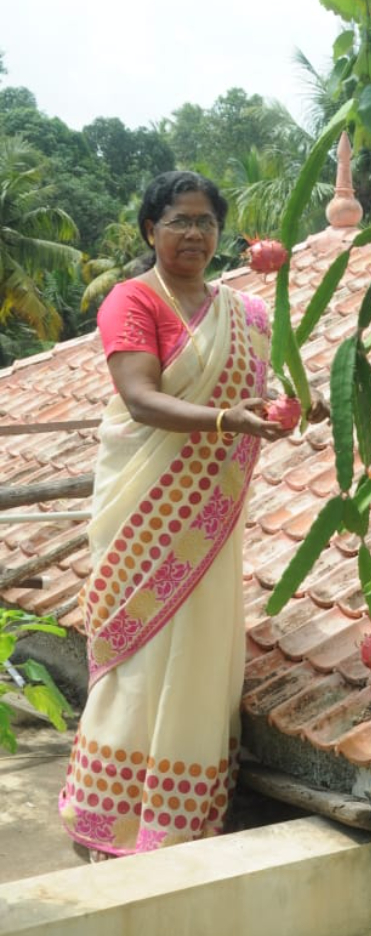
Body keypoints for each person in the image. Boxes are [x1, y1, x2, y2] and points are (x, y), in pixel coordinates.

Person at [59, 170, 294, 861]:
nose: (194, 233)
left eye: (206, 222)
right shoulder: (131, 300)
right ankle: (108, 813)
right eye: (180, 220)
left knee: (199, 645)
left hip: (210, 512)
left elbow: (258, 389)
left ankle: (176, 814)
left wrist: (280, 410)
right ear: (149, 230)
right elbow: (139, 397)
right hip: (148, 506)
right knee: (140, 648)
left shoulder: (244, 312)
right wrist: (229, 419)